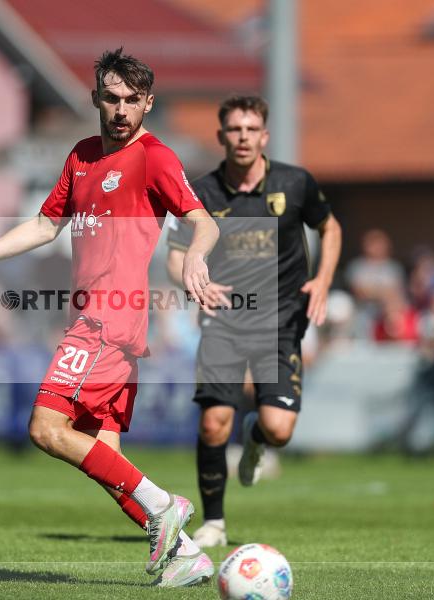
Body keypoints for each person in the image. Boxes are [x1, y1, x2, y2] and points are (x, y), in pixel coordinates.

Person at [0, 48, 219, 587]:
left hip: (108, 323)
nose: (122, 109)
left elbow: (203, 222)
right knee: (107, 467)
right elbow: (43, 227)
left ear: (149, 104)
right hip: (98, 324)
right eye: (112, 98)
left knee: (44, 427)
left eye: (133, 100)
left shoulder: (155, 157)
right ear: (96, 100)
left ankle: (164, 505)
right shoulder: (82, 156)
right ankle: (183, 556)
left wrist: (197, 253)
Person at [166, 95, 342, 548]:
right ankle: (214, 523)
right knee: (212, 424)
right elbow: (176, 256)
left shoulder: (295, 183)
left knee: (279, 431)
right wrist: (193, 285)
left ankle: (256, 437)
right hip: (223, 319)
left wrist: (322, 280)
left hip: (281, 320)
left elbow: (331, 228)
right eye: (234, 129)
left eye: (251, 129)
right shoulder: (200, 194)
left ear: (264, 136)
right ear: (221, 136)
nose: (243, 137)